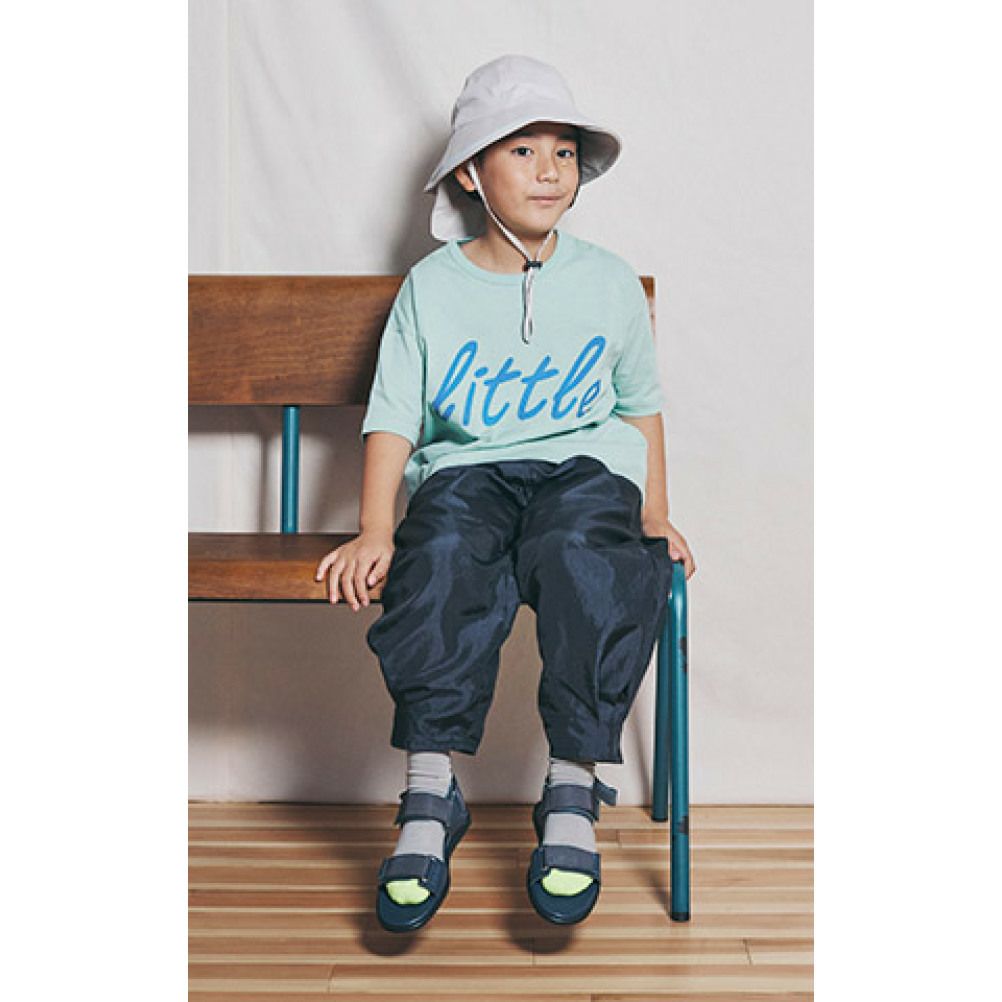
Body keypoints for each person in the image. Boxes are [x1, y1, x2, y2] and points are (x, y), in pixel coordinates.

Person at [314, 54, 696, 933]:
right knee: (440, 555)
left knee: (589, 557)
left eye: (563, 151)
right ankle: (429, 792)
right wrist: (376, 527)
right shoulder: (431, 288)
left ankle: (572, 786)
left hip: (583, 473)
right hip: (468, 475)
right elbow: (395, 413)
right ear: (468, 174)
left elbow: (640, 405)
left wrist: (654, 512)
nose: (550, 170)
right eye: (522, 151)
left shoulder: (607, 280)